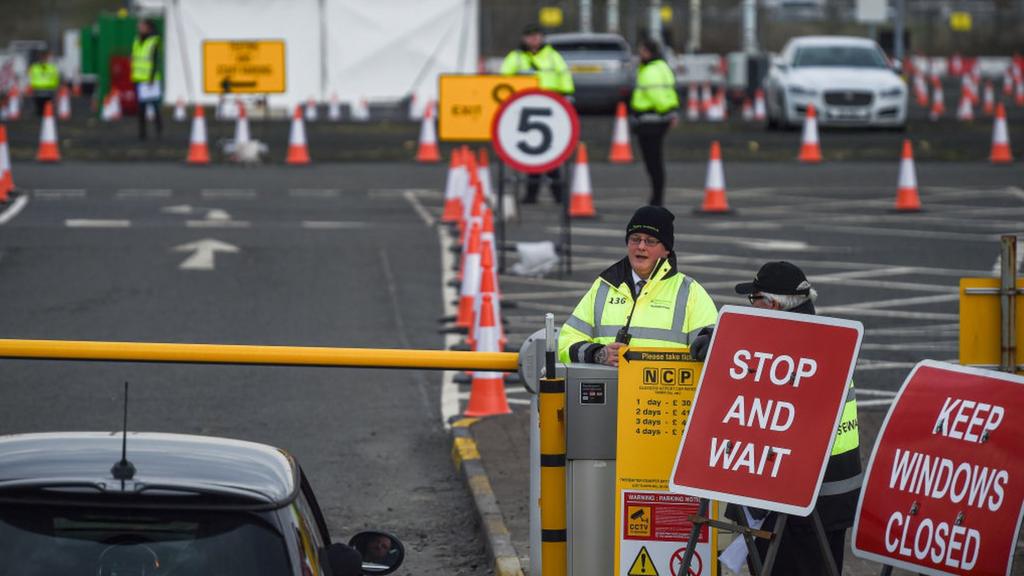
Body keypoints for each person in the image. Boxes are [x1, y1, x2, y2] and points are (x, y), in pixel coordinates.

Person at [691, 261, 862, 576]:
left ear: (771, 305)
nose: (750, 307)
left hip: (802, 498)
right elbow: (753, 336)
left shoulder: (800, 352)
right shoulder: (820, 340)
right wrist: (716, 333)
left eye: (753, 300)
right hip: (823, 496)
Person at [558, 205, 717, 365]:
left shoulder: (690, 292)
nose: (641, 246)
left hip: (666, 390)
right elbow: (565, 343)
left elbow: (715, 347)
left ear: (666, 250)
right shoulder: (603, 287)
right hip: (611, 388)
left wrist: (710, 341)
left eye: (650, 241)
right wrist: (598, 353)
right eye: (635, 239)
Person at [501, 25, 574, 205]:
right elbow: (502, 81)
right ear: (525, 38)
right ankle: (532, 194)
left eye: (537, 36)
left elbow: (565, 78)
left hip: (550, 110)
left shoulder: (552, 56)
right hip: (524, 111)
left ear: (542, 38)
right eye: (530, 37)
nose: (534, 40)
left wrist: (566, 97)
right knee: (531, 154)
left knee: (551, 152)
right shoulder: (515, 57)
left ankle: (557, 194)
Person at [630, 38, 679, 207]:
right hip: (659, 120)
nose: (639, 54)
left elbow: (656, 96)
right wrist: (672, 113)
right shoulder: (662, 67)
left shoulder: (650, 71)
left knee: (653, 162)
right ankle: (657, 197)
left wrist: (665, 111)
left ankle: (657, 198)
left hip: (650, 121)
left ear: (648, 52)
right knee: (656, 160)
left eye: (641, 51)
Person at [132, 19, 162, 140]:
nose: (139, 28)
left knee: (154, 105)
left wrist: (151, 77)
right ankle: (142, 132)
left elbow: (154, 60)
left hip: (150, 79)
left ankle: (159, 128)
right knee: (141, 108)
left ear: (149, 28)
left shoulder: (153, 41)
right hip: (138, 78)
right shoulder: (137, 40)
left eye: (142, 26)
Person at [27, 51, 60, 117]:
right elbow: (30, 78)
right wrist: (30, 88)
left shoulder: (52, 67)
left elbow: (56, 78)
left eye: (45, 58)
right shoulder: (35, 67)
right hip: (38, 90)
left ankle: (47, 119)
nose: (44, 59)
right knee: (39, 108)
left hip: (49, 90)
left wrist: (56, 89)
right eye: (43, 58)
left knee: (48, 107)